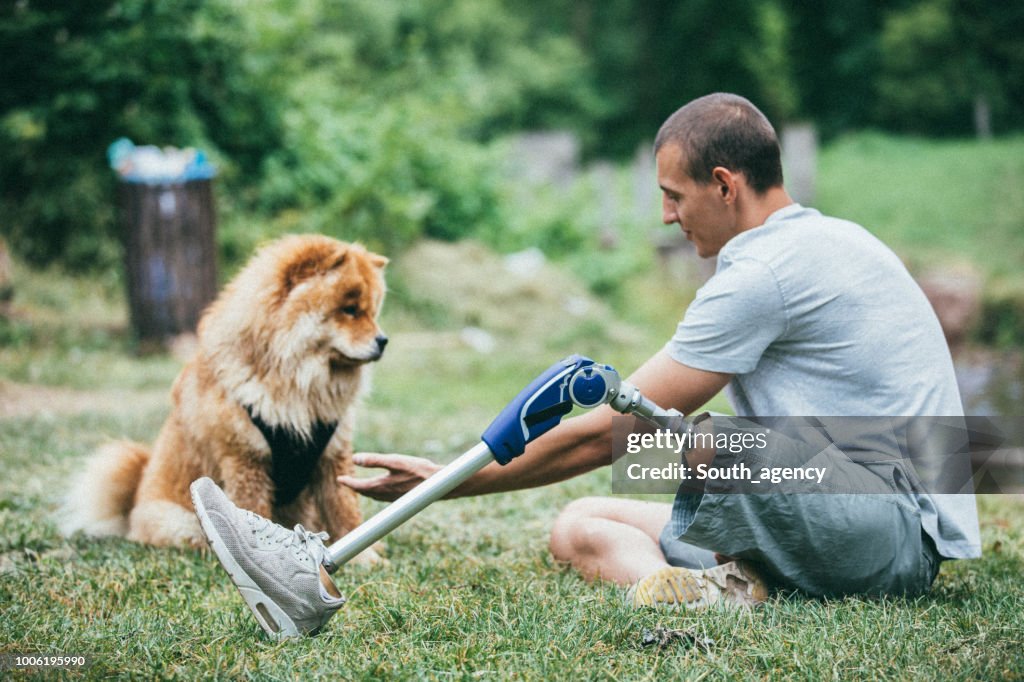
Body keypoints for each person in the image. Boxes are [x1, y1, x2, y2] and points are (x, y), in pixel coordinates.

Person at [191, 93, 981, 639]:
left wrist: (446, 483)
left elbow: (614, 432)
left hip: (889, 533)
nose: (665, 216)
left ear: (724, 185)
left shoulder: (765, 272)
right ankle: (716, 601)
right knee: (582, 527)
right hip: (832, 506)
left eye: (674, 196)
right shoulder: (821, 239)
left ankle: (314, 561)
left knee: (695, 442)